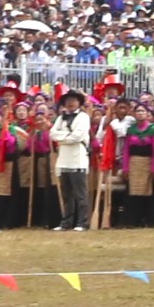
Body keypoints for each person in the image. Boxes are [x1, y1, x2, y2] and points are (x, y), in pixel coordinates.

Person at [49, 88, 94, 232]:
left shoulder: (83, 117)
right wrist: (67, 137)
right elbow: (52, 134)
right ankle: (66, 222)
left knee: (80, 194)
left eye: (73, 100)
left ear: (79, 102)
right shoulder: (61, 118)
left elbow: (78, 136)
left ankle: (82, 222)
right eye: (68, 100)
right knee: (66, 194)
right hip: (63, 158)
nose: (70, 103)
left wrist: (62, 138)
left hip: (78, 158)